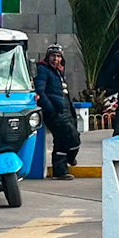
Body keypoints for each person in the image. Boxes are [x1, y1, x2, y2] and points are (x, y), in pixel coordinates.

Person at [33, 43, 81, 177]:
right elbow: (40, 92)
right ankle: (71, 158)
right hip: (55, 113)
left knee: (61, 141)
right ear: (48, 57)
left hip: (65, 110)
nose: (56, 59)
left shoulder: (58, 71)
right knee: (73, 138)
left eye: (59, 56)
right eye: (53, 56)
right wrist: (51, 110)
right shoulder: (43, 70)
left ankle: (60, 171)